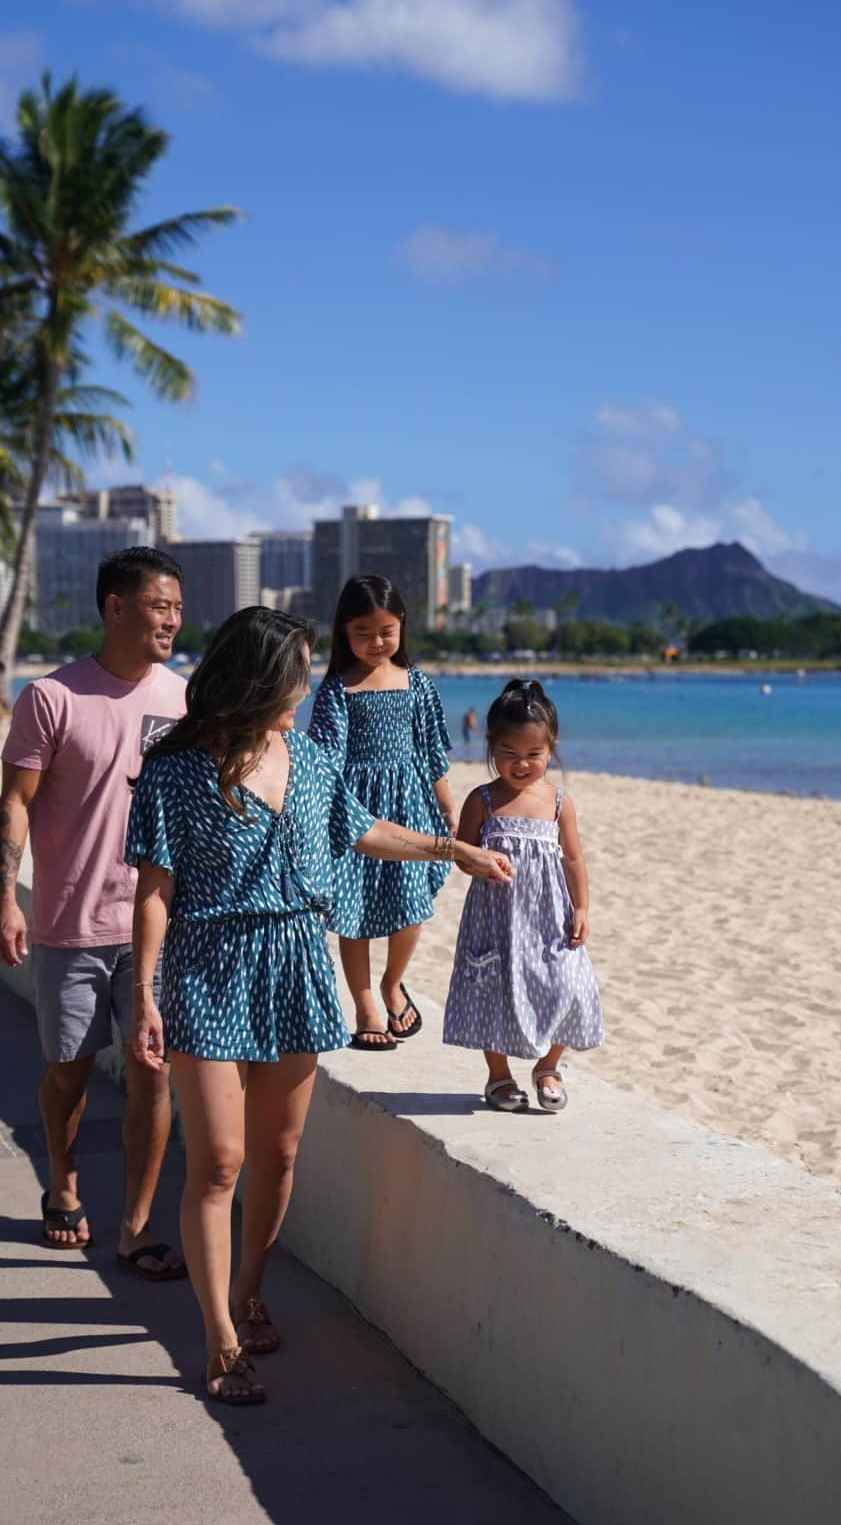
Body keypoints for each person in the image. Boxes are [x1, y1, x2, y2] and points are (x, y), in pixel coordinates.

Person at [126, 606, 511, 1405]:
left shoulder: (305, 756)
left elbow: (360, 828)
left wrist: (451, 846)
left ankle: (251, 1287)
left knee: (280, 1153)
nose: (307, 686)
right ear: (261, 679)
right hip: (209, 964)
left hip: (297, 961)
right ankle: (221, 1342)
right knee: (221, 1161)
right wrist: (145, 994)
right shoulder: (175, 772)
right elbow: (155, 893)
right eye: (297, 673)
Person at [0, 547, 187, 1271]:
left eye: (177, 606)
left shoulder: (182, 700)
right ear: (116, 607)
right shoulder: (51, 698)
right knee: (69, 1074)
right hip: (69, 924)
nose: (173, 618)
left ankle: (137, 1226)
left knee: (153, 1074)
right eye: (160, 605)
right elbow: (13, 804)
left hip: (156, 928)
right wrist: (5, 901)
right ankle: (64, 1181)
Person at [308, 575, 455, 1050]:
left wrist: (447, 806)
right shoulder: (337, 688)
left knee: (410, 900)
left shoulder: (418, 685)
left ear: (402, 627)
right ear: (344, 631)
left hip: (411, 806)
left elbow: (432, 752)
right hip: (354, 810)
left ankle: (393, 982)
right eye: (363, 632)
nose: (376, 642)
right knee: (354, 909)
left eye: (386, 631)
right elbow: (327, 757)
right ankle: (366, 1002)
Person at [443, 679, 603, 1113]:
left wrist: (582, 907)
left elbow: (573, 858)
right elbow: (463, 852)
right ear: (491, 746)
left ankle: (548, 1066)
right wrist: (480, 862)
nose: (521, 765)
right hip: (497, 917)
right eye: (509, 755)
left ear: (551, 748)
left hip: (551, 916)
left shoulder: (557, 802)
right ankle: (498, 1075)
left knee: (572, 985)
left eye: (533, 755)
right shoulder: (484, 799)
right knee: (490, 990)